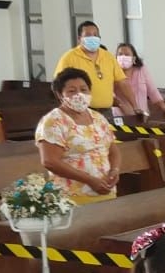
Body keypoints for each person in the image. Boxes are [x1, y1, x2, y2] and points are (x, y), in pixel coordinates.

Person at [35, 68, 121, 205]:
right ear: (60, 95)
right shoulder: (53, 121)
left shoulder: (98, 118)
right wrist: (90, 180)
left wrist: (114, 170)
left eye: (84, 89)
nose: (79, 95)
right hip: (72, 197)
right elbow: (50, 161)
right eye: (71, 91)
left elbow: (112, 149)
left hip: (106, 191)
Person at [53, 21, 138, 118]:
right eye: (88, 35)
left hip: (106, 112)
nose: (92, 38)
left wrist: (135, 106)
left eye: (95, 35)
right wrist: (66, 108)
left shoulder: (108, 57)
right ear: (79, 39)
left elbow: (122, 82)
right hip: (80, 112)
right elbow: (57, 85)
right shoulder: (69, 58)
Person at [112, 43, 165, 123]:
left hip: (143, 117)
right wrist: (126, 109)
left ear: (134, 58)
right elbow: (111, 95)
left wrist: (164, 107)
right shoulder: (112, 72)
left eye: (127, 55)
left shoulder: (141, 70)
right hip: (120, 118)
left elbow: (152, 90)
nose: (123, 57)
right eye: (120, 54)